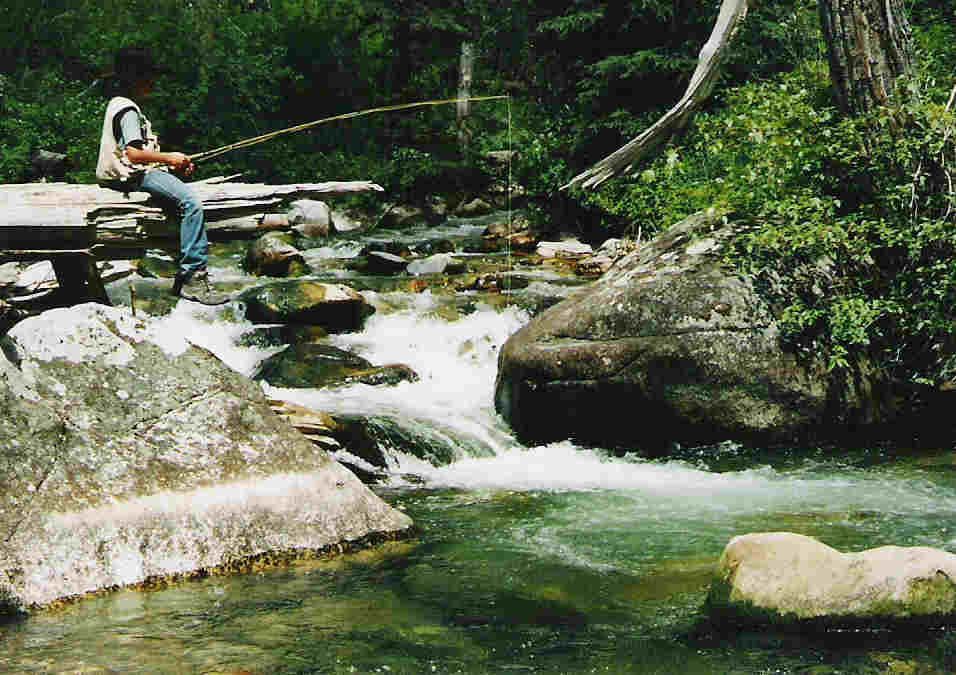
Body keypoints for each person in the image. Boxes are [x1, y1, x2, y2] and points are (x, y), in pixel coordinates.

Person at [96, 46, 228, 305]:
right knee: (191, 205)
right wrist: (170, 158)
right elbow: (133, 154)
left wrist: (172, 166)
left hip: (129, 175)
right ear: (135, 79)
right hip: (132, 177)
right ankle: (193, 277)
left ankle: (181, 275)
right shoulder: (128, 110)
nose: (153, 82)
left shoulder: (119, 105)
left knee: (181, 197)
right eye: (149, 77)